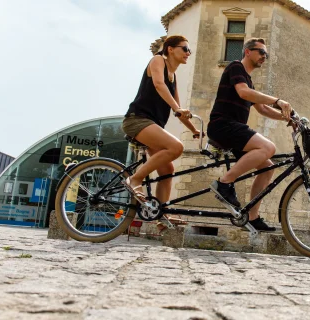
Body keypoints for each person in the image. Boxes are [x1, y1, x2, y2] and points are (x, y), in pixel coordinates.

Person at [207, 38, 293, 232]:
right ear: (247, 52)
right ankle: (224, 183)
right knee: (268, 148)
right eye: (261, 52)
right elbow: (244, 93)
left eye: (266, 54)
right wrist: (278, 100)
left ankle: (252, 217)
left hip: (233, 128)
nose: (264, 56)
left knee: (267, 168)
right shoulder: (236, 67)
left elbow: (262, 109)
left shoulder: (248, 79)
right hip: (223, 125)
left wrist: (286, 118)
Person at [121, 35, 200, 227]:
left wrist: (196, 131)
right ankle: (135, 179)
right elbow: (158, 84)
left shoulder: (173, 77)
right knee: (175, 147)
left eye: (189, 50)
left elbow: (178, 111)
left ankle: (161, 217)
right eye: (185, 48)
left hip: (151, 125)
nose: (188, 53)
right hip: (137, 120)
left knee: (167, 169)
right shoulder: (158, 60)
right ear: (170, 49)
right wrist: (177, 108)